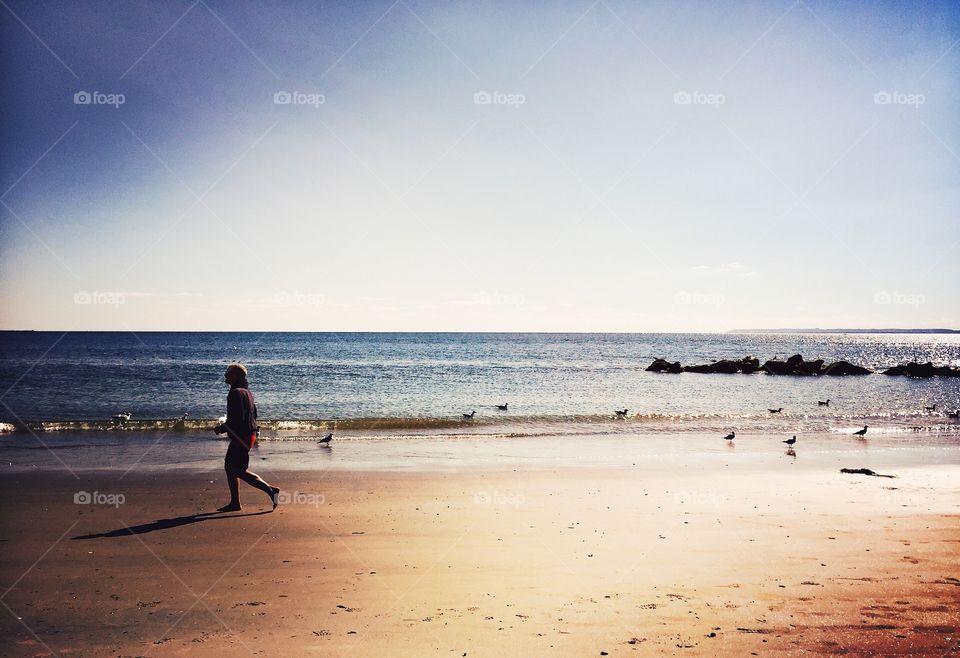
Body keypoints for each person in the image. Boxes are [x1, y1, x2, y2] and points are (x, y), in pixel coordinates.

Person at [214, 363, 279, 511]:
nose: (225, 375)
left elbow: (236, 419)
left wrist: (221, 428)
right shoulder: (247, 392)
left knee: (236, 470)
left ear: (236, 376)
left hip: (241, 437)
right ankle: (235, 502)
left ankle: (270, 490)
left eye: (228, 373)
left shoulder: (235, 393)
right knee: (232, 468)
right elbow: (253, 415)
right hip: (249, 435)